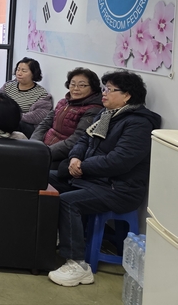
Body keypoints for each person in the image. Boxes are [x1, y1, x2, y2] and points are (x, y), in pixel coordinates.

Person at [47, 70, 161, 287]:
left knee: (68, 202)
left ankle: (78, 265)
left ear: (127, 96)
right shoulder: (106, 114)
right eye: (104, 88)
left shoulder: (139, 124)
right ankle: (49, 238)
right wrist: (74, 158)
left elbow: (119, 162)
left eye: (109, 89)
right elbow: (83, 141)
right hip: (92, 178)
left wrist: (82, 167)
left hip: (119, 188)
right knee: (43, 178)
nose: (104, 93)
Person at [31, 67, 103, 168]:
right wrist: (33, 145)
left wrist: (44, 153)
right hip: (43, 148)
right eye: (72, 84)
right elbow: (44, 124)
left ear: (93, 87)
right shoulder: (63, 102)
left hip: (61, 155)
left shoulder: (93, 109)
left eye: (82, 85)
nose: (76, 88)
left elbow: (76, 140)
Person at [0, 57, 53, 138]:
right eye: (18, 70)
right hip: (5, 120)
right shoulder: (8, 86)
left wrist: (13, 116)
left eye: (24, 71)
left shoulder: (42, 94)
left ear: (33, 73)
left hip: (25, 126)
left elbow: (38, 116)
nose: (19, 73)